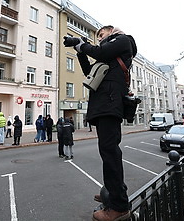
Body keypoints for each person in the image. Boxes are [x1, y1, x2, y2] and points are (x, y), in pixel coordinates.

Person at [64, 25, 137, 220]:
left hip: (110, 102)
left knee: (110, 151)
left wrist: (82, 44)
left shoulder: (123, 40)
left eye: (101, 35)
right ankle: (113, 194)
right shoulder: (108, 56)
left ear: (111, 31)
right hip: (105, 103)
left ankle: (119, 206)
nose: (99, 39)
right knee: (108, 151)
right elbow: (89, 70)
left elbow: (101, 52)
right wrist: (79, 50)